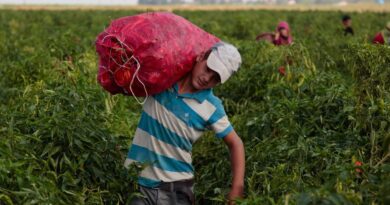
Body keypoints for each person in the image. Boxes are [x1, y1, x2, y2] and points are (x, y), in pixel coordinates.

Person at [126, 42, 245, 205]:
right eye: (208, 69)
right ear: (202, 56)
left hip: (175, 190)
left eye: (215, 78)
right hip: (137, 182)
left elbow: (236, 143)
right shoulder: (165, 79)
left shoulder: (211, 107)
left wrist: (237, 188)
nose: (207, 78)